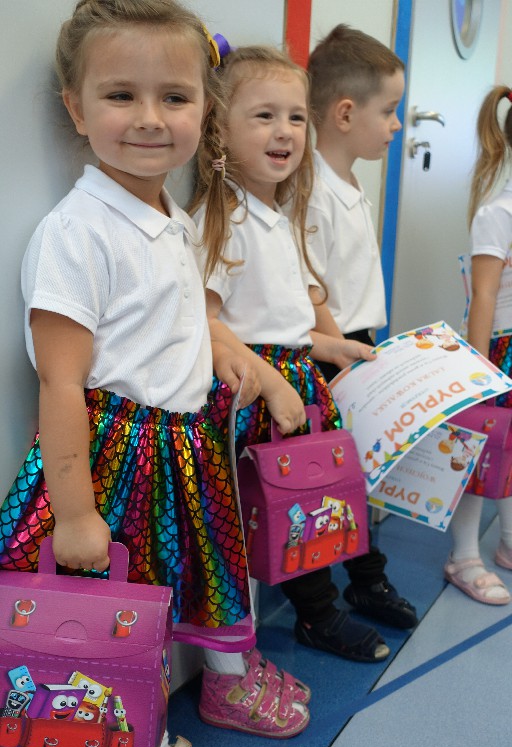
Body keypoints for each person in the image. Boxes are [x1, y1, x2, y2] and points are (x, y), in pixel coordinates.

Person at [0, 0, 309, 747]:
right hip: (115, 461)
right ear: (77, 109)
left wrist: (246, 363)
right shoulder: (77, 232)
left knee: (192, 581)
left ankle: (221, 685)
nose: (148, 118)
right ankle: (141, 742)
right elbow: (61, 384)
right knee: (119, 610)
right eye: (120, 95)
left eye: (173, 96)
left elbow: (186, 313)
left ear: (204, 111)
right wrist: (76, 515)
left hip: (181, 446)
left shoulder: (172, 215)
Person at [191, 44, 396, 681]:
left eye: (295, 117)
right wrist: (274, 380)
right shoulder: (222, 218)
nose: (284, 131)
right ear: (219, 128)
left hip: (296, 379)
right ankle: (314, 614)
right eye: (264, 116)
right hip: (259, 392)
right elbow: (205, 321)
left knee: (318, 500)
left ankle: (331, 599)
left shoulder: (276, 214)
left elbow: (285, 316)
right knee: (288, 507)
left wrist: (331, 347)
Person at [305, 24, 417, 630]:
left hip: (358, 343)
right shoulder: (312, 188)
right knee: (333, 477)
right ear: (346, 113)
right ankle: (345, 590)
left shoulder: (349, 181)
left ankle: (367, 578)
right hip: (332, 351)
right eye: (390, 111)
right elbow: (309, 284)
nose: (397, 125)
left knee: (359, 471)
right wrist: (342, 354)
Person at [443, 85, 512, 605]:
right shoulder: (499, 213)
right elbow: (483, 296)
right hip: (503, 352)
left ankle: (508, 542)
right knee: (480, 452)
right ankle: (464, 554)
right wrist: (479, 371)